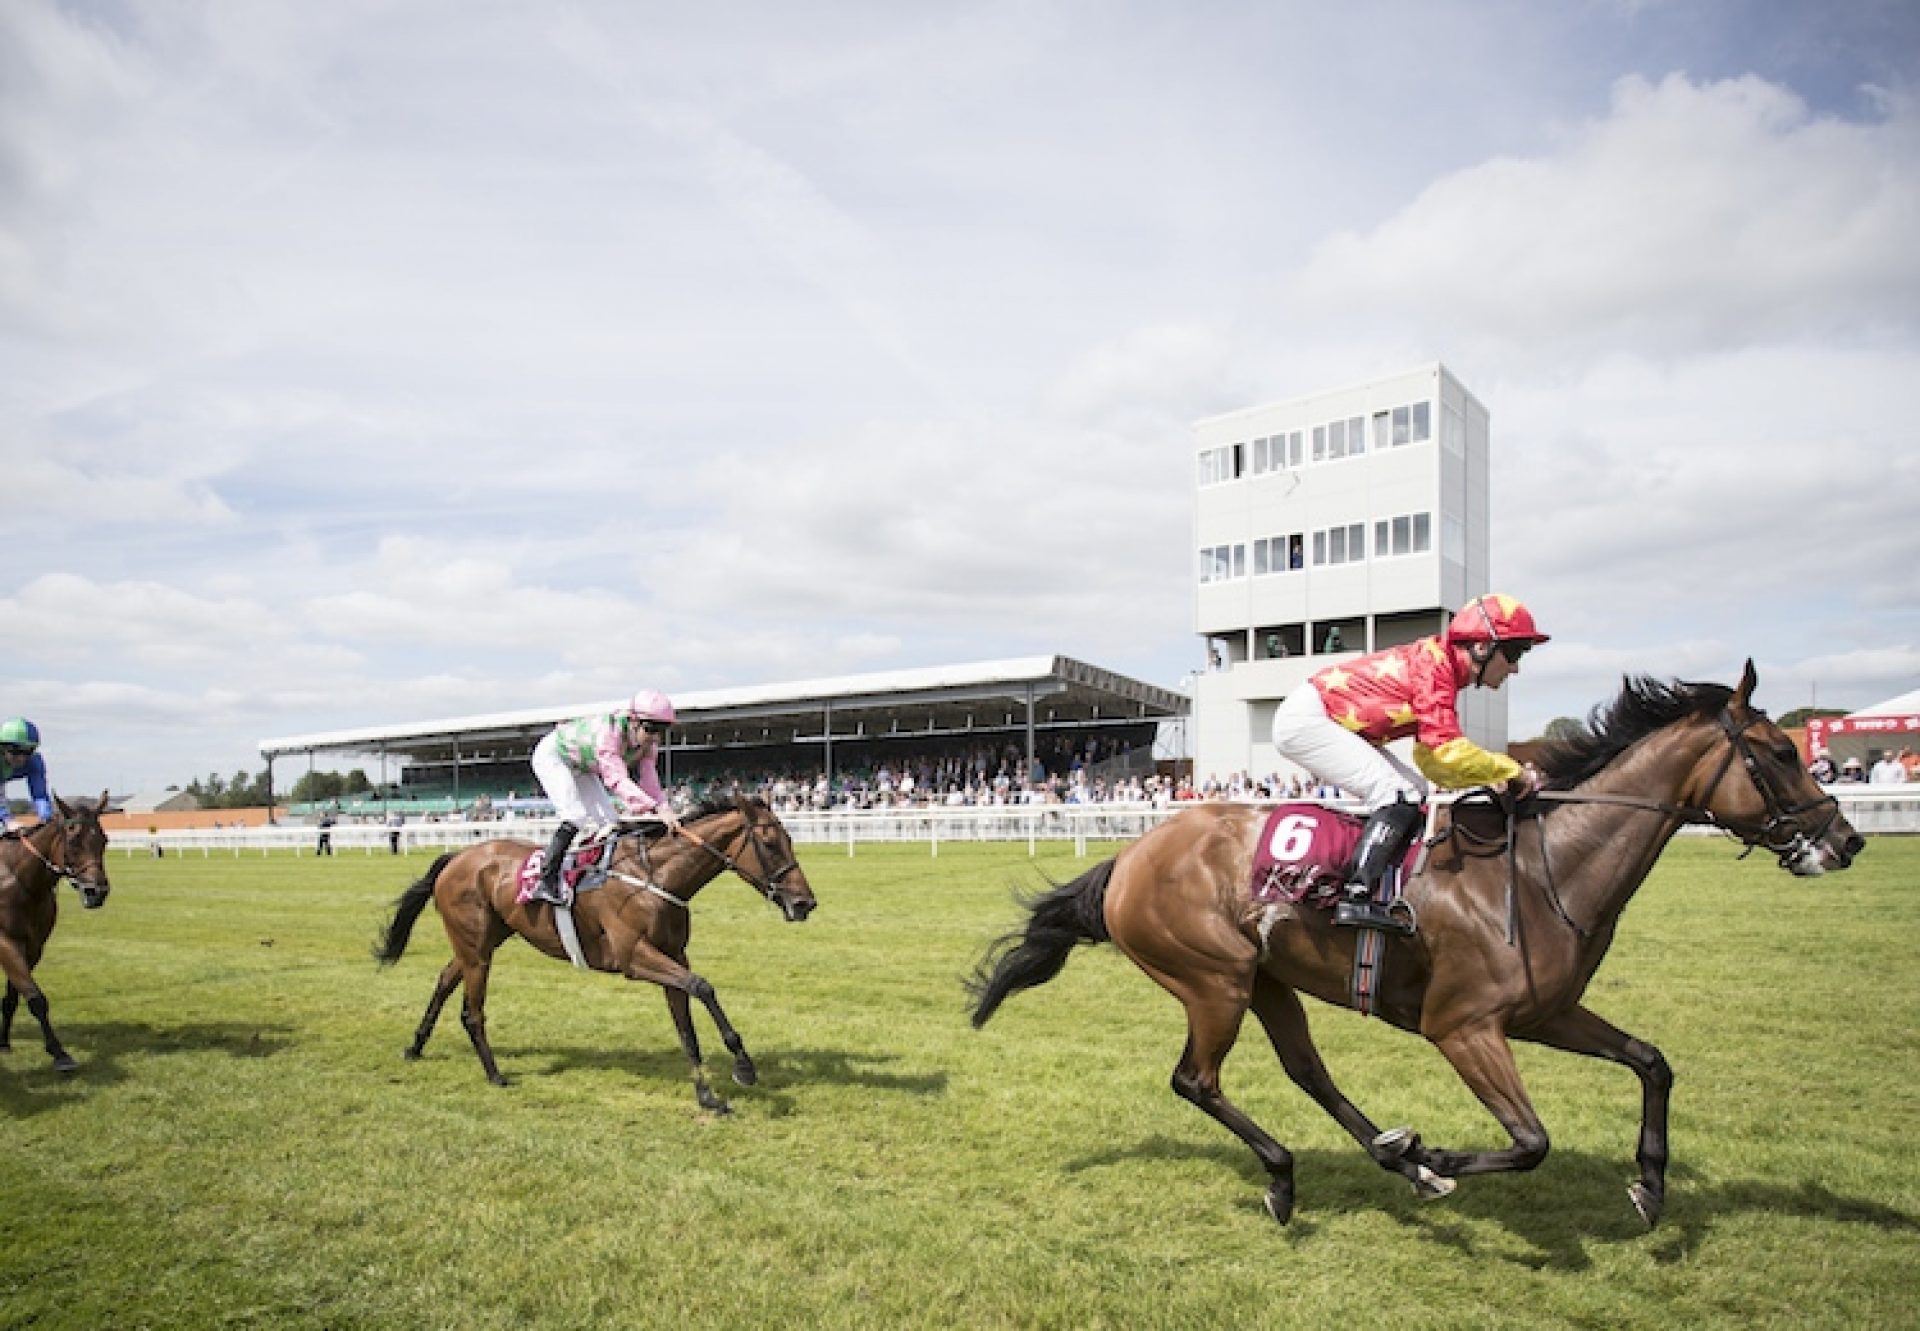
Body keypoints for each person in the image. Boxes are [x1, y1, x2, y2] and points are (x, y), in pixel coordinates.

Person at [1270, 594, 1548, 934]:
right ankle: (1355, 896)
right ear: (1480, 647)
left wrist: (1485, 778)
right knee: (1396, 793)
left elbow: (1433, 763)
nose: (1516, 668)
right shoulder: (1434, 669)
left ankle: (1384, 886)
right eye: (1514, 653)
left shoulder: (1441, 668)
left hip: (1322, 716)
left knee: (1415, 790)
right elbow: (1447, 751)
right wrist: (1512, 771)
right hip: (1308, 719)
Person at [528, 689, 682, 905]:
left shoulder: (649, 744)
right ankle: (545, 881)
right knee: (575, 816)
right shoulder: (609, 734)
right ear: (634, 721)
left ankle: (596, 877)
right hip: (554, 756)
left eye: (662, 731)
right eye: (651, 729)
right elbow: (616, 780)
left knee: (610, 822)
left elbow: (650, 781)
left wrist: (664, 807)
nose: (655, 737)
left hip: (582, 766)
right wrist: (654, 808)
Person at [0, 718, 53, 831]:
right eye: (15, 751)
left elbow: (40, 795)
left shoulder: (34, 761)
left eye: (27, 751)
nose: (21, 758)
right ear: (2, 748)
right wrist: (7, 820)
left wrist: (46, 818)